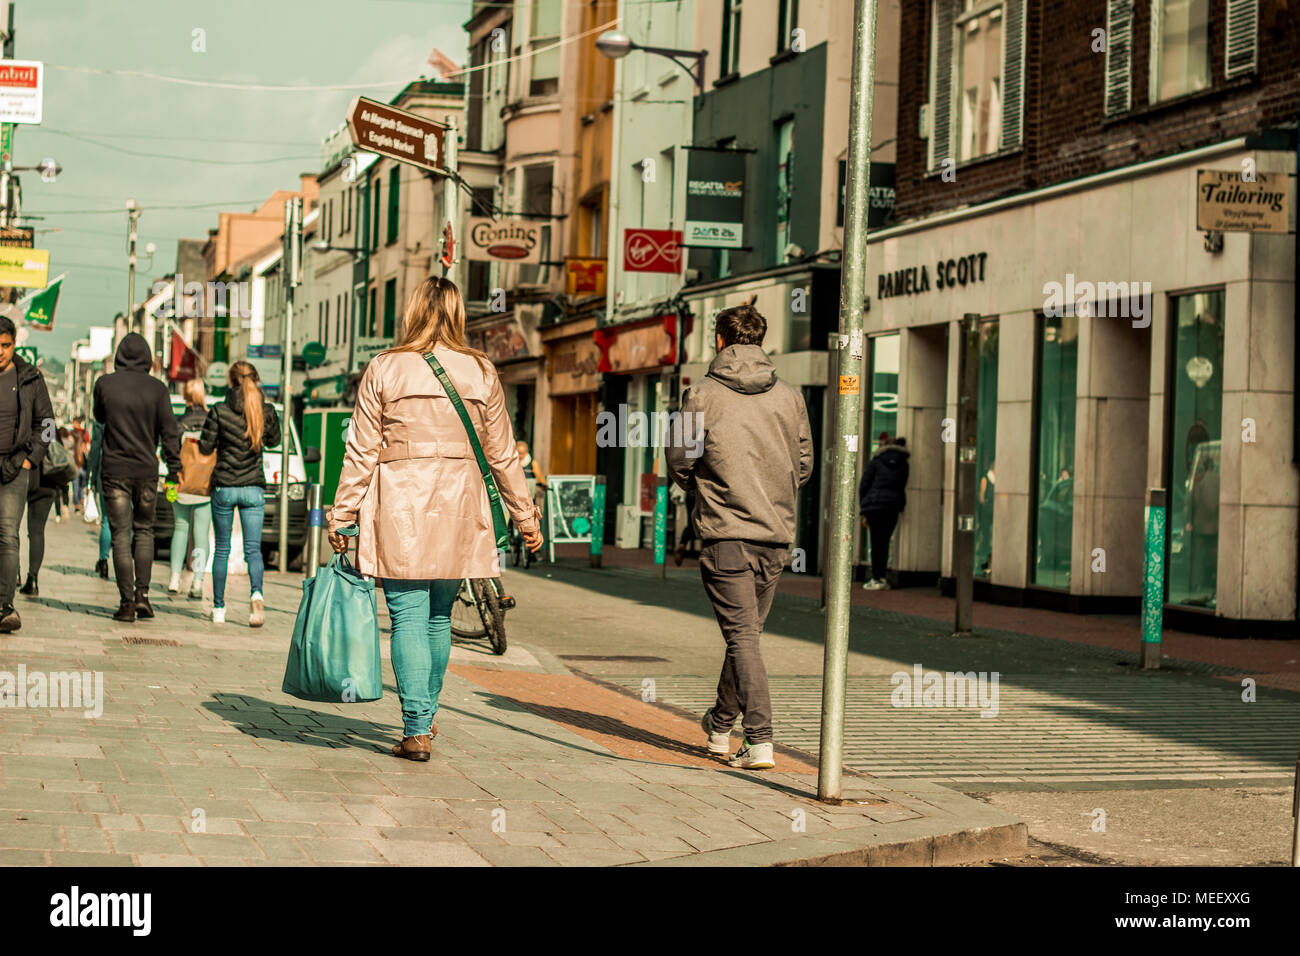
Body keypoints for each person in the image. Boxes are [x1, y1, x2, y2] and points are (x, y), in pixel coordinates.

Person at [328, 276, 542, 762]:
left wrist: (341, 514)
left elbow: (360, 449)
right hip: (460, 502)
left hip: (400, 500)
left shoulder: (385, 367)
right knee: (439, 617)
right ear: (458, 313)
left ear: (412, 311)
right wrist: (525, 517)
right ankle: (425, 716)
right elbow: (503, 453)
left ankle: (417, 727)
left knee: (407, 615)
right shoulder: (480, 370)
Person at [666, 303, 813, 771]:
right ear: (762, 340)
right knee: (745, 635)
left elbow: (679, 459)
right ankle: (719, 725)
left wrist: (704, 489)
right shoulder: (790, 396)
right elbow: (805, 464)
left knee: (743, 637)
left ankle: (761, 739)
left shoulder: (703, 394)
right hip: (775, 534)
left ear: (719, 341)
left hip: (726, 533)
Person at [93, 332, 181, 623]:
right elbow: (170, 433)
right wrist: (175, 468)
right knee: (144, 532)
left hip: (115, 470)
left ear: (118, 355)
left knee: (120, 535)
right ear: (146, 358)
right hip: (146, 471)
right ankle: (143, 597)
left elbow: (100, 417)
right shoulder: (158, 390)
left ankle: (126, 603)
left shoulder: (104, 384)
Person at [198, 361, 279, 626]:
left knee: (221, 549)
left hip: (224, 486)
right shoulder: (265, 409)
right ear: (255, 378)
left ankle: (219, 609)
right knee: (253, 550)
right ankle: (257, 594)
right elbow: (274, 440)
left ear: (230, 382)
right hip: (253, 487)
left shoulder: (219, 410)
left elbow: (206, 447)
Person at [0, 317, 54, 633]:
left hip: (15, 468)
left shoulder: (30, 378)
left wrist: (31, 460)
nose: (0, 352)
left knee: (7, 534)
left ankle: (4, 605)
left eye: (5, 345)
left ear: (14, 344)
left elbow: (46, 424)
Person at [169, 379, 211, 599]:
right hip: (206, 485)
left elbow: (170, 451)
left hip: (181, 483)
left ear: (186, 396)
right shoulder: (211, 420)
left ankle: (175, 578)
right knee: (201, 533)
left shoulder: (179, 422)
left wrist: (171, 478)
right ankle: (197, 580)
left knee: (180, 528)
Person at [858, 435, 910, 590]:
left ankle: (875, 577)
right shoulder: (904, 463)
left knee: (875, 542)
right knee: (885, 542)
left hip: (874, 506)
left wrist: (864, 505)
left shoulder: (877, 460)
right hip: (892, 507)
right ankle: (882, 577)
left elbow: (864, 483)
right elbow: (902, 484)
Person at [19, 452, 68, 596]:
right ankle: (33, 579)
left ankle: (14, 574)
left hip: (23, 476)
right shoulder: (50, 430)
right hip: (48, 482)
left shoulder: (25, 428)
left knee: (10, 527)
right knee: (37, 532)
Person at [86, 420, 112, 579]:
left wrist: (92, 477)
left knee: (106, 521)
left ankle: (103, 560)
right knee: (126, 523)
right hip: (131, 473)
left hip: (106, 472)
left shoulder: (102, 419)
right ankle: (124, 562)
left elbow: (95, 450)